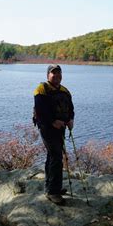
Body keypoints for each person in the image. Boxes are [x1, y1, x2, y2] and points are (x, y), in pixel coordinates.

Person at [33, 64, 74, 205]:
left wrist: (70, 120)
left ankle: (51, 186)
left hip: (61, 128)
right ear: (48, 75)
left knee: (53, 156)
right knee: (56, 156)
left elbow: (71, 108)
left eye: (59, 73)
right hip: (47, 128)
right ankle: (53, 192)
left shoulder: (65, 91)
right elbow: (40, 111)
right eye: (53, 73)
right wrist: (52, 122)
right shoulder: (42, 90)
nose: (56, 76)